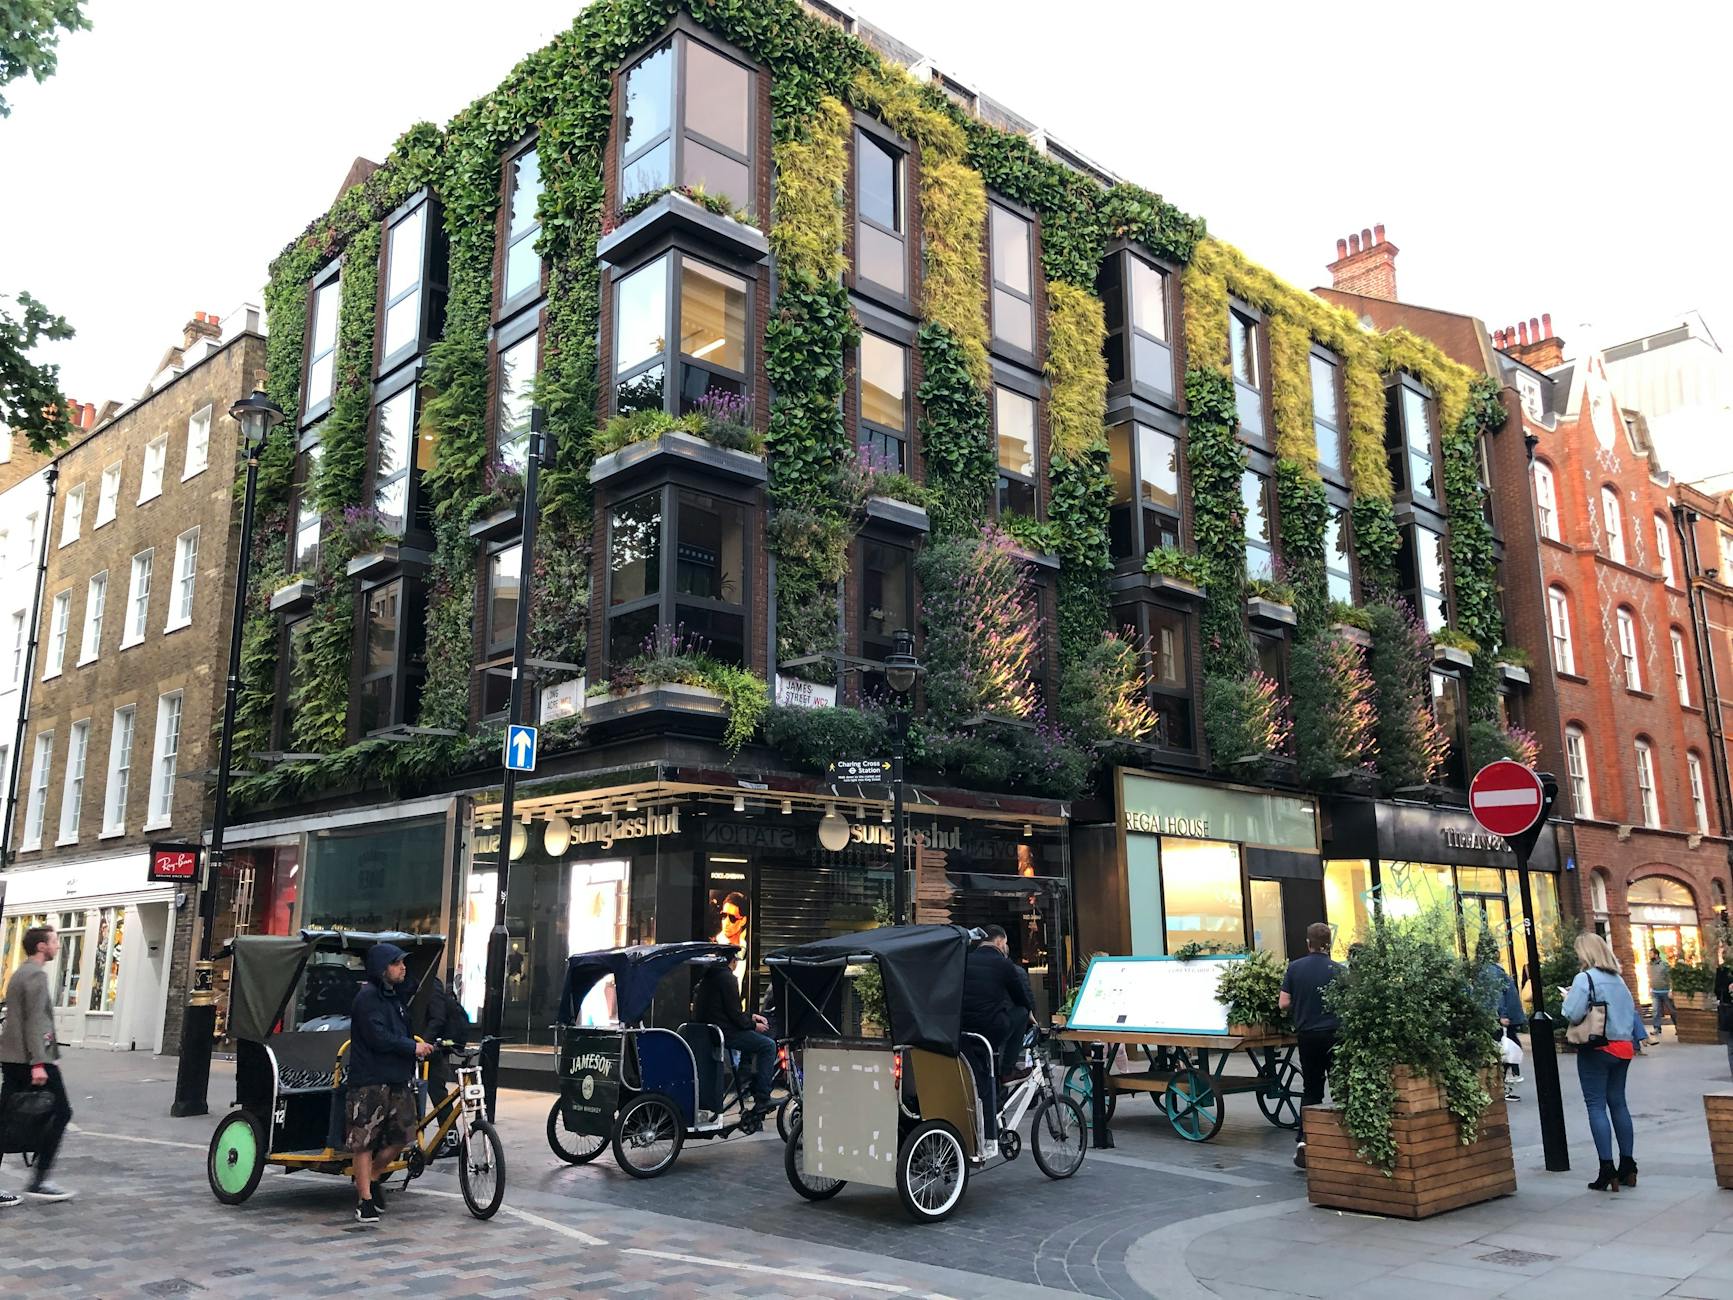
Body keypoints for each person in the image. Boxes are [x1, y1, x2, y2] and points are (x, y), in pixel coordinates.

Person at [345, 942, 434, 1226]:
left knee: (403, 1137)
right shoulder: (367, 998)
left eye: (403, 963)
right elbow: (378, 1038)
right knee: (365, 1142)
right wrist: (412, 1048)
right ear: (382, 968)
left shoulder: (394, 998)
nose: (403, 968)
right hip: (370, 1080)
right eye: (397, 963)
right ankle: (365, 1200)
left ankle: (372, 1175)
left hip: (397, 1078)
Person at [0, 924, 75, 1203]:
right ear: (41, 946)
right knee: (62, 1112)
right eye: (55, 941)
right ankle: (40, 1179)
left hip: (14, 1057)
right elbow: (35, 1022)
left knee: (4, 1117)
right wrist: (40, 1063)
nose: (57, 946)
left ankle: (39, 1178)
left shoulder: (20, 972)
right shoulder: (35, 976)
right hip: (28, 1059)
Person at [1563, 933, 1640, 1192]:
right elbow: (1631, 1011)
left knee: (1596, 1105)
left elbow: (1573, 1013)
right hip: (1623, 1048)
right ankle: (1628, 1164)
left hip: (1597, 1047)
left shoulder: (1585, 978)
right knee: (1618, 1103)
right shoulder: (1619, 980)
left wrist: (1567, 998)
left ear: (1585, 953)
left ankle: (1606, 1169)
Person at [1280, 922, 1343, 1171]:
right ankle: (1340, 1137)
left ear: (1308, 943)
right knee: (1339, 1086)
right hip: (1335, 1035)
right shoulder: (1339, 971)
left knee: (1311, 1089)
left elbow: (1283, 1003)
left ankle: (1305, 1141)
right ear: (1329, 944)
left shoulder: (1295, 968)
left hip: (1307, 1036)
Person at [961, 925, 1036, 1119]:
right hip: (990, 1029)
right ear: (1000, 942)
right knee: (1020, 1012)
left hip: (964, 1028)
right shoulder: (1003, 964)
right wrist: (1031, 1017)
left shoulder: (965, 960)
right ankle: (1008, 1070)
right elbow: (1021, 998)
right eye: (1006, 944)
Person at [692, 957, 774, 1118]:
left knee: (753, 1039)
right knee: (768, 1046)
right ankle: (763, 1097)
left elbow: (728, 1010)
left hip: (713, 1031)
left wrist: (750, 1018)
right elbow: (734, 1014)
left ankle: (745, 1077)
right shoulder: (727, 978)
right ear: (733, 961)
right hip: (725, 1033)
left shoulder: (708, 977)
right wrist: (753, 1024)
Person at [711, 892, 750, 996]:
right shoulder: (713, 946)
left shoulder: (745, 948)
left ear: (743, 920)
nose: (726, 922)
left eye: (732, 918)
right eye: (724, 916)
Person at [1647, 950, 1675, 1039]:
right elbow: (1650, 978)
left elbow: (1670, 977)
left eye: (1651, 954)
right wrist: (1649, 988)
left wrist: (1671, 990)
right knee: (1655, 1011)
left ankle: (1678, 1026)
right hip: (1655, 991)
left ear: (1656, 955)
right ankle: (1657, 1028)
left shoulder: (1664, 965)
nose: (1649, 955)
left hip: (1665, 991)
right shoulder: (1649, 965)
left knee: (1671, 1010)